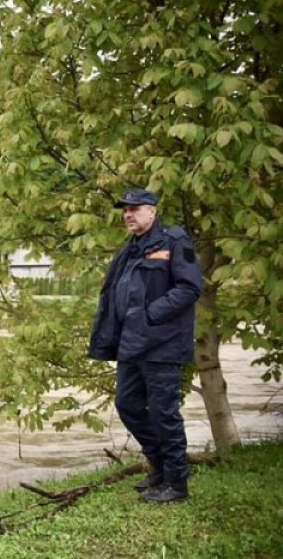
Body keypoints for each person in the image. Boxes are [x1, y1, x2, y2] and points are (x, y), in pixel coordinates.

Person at [89, 189, 202, 503]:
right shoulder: (131, 248)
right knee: (127, 405)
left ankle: (177, 484)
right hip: (132, 343)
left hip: (162, 344)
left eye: (134, 209)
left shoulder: (174, 241)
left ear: (152, 211)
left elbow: (190, 287)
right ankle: (161, 465)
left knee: (165, 412)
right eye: (125, 210)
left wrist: (152, 314)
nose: (128, 214)